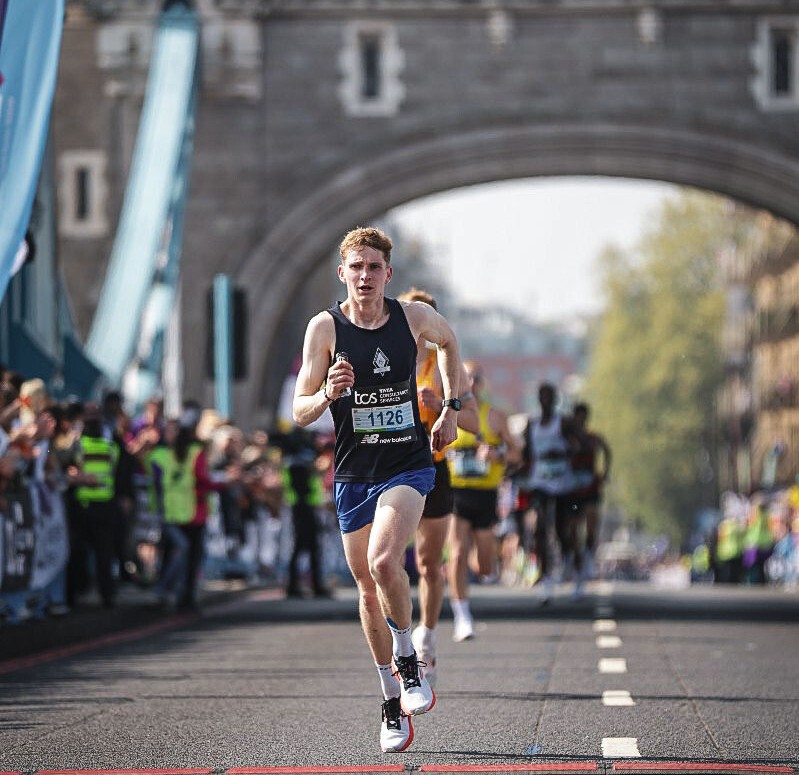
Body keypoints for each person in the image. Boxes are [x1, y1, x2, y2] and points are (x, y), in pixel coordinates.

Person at [293, 226, 463, 753]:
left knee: (385, 560)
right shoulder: (325, 328)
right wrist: (327, 392)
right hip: (353, 472)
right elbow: (299, 410)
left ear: (388, 274)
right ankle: (390, 697)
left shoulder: (412, 318)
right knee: (366, 588)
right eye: (356, 267)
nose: (364, 276)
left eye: (374, 267)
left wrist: (451, 409)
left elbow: (449, 342)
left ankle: (408, 659)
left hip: (407, 464)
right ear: (342, 273)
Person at [396, 288, 479, 686]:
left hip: (433, 468)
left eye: (425, 317)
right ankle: (399, 643)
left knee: (429, 562)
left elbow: (475, 423)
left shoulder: (447, 366)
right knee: (389, 562)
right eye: (411, 315)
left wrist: (444, 405)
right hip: (392, 468)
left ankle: (426, 638)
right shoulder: (385, 357)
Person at [445, 359, 520, 641]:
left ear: (482, 382)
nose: (471, 383)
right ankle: (462, 616)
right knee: (456, 553)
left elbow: (517, 454)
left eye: (475, 378)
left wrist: (497, 454)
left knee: (485, 566)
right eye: (465, 377)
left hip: (485, 495)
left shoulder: (495, 417)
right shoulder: (447, 411)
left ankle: (478, 560)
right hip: (456, 492)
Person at [521, 382, 577, 603]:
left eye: (549, 397)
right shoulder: (531, 424)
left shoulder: (563, 423)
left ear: (554, 400)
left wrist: (561, 452)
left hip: (562, 482)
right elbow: (525, 453)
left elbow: (579, 446)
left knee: (561, 529)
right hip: (540, 482)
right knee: (540, 529)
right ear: (538, 400)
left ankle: (568, 558)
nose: (545, 401)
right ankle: (545, 579)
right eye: (542, 397)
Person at [569, 402, 611, 582]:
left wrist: (605, 473)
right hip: (572, 489)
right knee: (572, 528)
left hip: (591, 488)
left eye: (583, 418)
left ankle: (588, 559)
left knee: (591, 523)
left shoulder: (593, 438)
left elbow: (606, 450)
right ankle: (573, 560)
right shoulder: (568, 440)